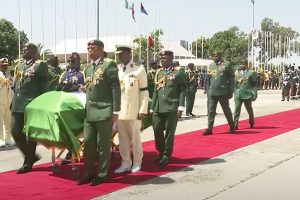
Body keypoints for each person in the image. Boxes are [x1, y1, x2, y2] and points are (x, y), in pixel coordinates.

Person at [77, 40, 121, 186]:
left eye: (93, 48)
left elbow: (115, 88)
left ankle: (101, 174)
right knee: (88, 144)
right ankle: (89, 172)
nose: (89, 50)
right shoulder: (88, 68)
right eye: (88, 48)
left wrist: (116, 110)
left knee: (103, 145)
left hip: (104, 110)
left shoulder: (109, 65)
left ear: (101, 49)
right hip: (90, 112)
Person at [11, 43, 49, 174]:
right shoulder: (20, 66)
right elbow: (15, 85)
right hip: (17, 103)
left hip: (31, 104)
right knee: (14, 131)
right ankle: (31, 156)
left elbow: (45, 86)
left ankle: (27, 162)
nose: (23, 51)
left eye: (26, 49)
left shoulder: (40, 65)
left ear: (33, 52)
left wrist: (43, 104)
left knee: (30, 134)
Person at [114, 45, 149, 174]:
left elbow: (144, 91)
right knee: (122, 139)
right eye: (118, 54)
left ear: (129, 54)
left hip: (134, 111)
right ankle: (125, 163)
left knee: (135, 139)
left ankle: (137, 162)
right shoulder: (117, 69)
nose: (120, 56)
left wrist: (142, 109)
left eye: (122, 54)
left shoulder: (139, 69)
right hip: (120, 111)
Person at [150, 50, 186, 166]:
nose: (162, 59)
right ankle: (160, 152)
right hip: (158, 108)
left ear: (171, 58)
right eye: (161, 57)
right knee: (157, 129)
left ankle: (166, 155)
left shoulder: (178, 73)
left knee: (169, 134)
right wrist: (152, 107)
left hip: (172, 107)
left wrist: (180, 107)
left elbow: (182, 90)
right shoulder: (158, 73)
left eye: (164, 57)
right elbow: (156, 91)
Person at [57, 52, 84, 165]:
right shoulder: (64, 74)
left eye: (75, 61)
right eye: (71, 61)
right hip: (66, 105)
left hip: (79, 106)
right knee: (62, 129)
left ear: (79, 61)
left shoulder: (82, 74)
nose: (73, 63)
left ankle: (75, 150)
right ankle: (71, 150)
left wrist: (75, 87)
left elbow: (84, 88)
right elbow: (59, 88)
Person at [203, 52, 235, 136]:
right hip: (212, 92)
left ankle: (232, 126)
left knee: (226, 110)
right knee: (211, 111)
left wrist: (231, 91)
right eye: (213, 56)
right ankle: (209, 128)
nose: (214, 57)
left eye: (216, 56)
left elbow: (232, 78)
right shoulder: (211, 66)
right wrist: (207, 90)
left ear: (220, 56)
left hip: (223, 92)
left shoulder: (226, 65)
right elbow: (208, 79)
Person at [233, 61, 258, 130]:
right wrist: (235, 93)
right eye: (240, 64)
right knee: (236, 110)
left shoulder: (251, 73)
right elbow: (235, 84)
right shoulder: (237, 72)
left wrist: (255, 94)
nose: (240, 66)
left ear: (246, 65)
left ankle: (251, 122)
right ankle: (235, 125)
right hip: (238, 94)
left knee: (249, 109)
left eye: (242, 64)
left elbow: (255, 85)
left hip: (247, 94)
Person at [0, 58, 14, 147]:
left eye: (6, 65)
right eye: (3, 65)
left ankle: (8, 139)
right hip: (0, 101)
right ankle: (0, 139)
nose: (5, 67)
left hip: (8, 101)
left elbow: (12, 85)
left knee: (8, 121)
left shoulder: (8, 74)